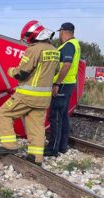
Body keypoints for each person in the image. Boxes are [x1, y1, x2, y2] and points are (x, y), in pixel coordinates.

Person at [0, 20, 60, 165]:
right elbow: (55, 72)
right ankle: (36, 157)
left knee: (4, 112)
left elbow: (21, 73)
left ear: (32, 36)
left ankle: (9, 146)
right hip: (44, 98)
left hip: (27, 95)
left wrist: (11, 71)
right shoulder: (55, 51)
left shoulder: (34, 49)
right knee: (36, 126)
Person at [45, 22, 81, 156]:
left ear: (64, 31)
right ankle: (62, 146)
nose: (59, 34)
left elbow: (66, 64)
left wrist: (57, 84)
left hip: (63, 84)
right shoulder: (75, 44)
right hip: (69, 84)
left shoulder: (68, 45)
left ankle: (52, 149)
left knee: (56, 116)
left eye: (60, 32)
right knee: (63, 116)